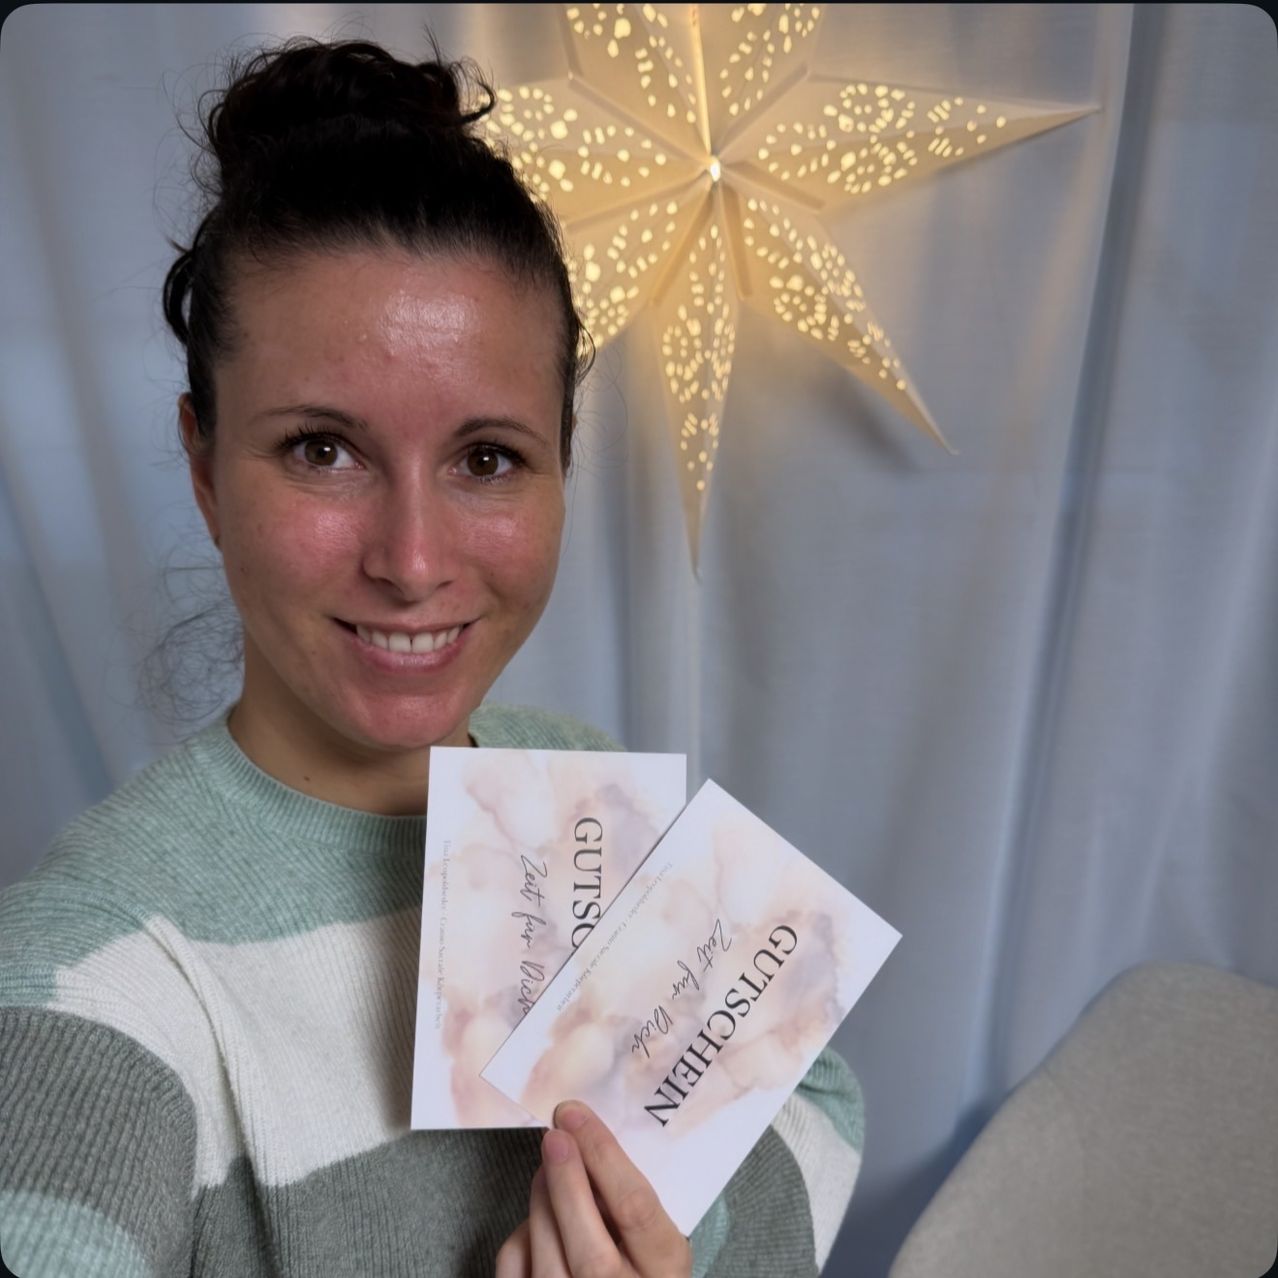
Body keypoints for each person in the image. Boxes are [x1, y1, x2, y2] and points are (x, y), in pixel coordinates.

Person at [0, 35, 865, 1278]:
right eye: (322, 450)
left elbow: (820, 1103)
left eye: (486, 459)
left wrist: (675, 1231)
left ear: (562, 468)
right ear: (204, 467)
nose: (411, 560)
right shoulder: (94, 970)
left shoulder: (579, 786)